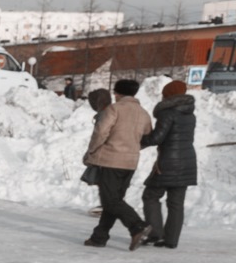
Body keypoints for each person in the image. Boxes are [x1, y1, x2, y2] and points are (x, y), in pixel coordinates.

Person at [82, 78, 153, 249]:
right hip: (130, 163)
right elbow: (148, 137)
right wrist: (133, 147)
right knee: (113, 201)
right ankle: (99, 237)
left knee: (110, 201)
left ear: (117, 93)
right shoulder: (143, 113)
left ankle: (137, 226)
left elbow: (100, 132)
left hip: (110, 161)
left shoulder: (115, 109)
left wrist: (91, 151)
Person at [140, 79, 197, 249]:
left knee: (150, 195)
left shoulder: (168, 113)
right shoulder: (190, 114)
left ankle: (155, 233)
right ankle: (171, 240)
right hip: (188, 161)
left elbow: (157, 138)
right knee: (176, 203)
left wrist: (140, 140)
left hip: (168, 162)